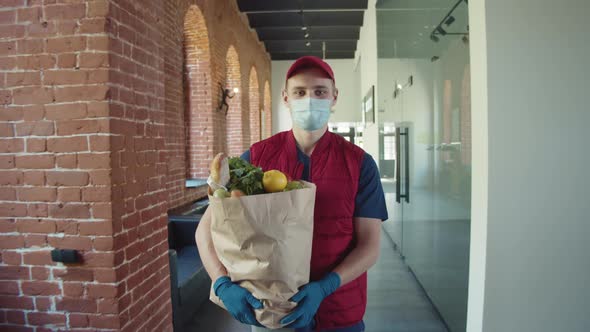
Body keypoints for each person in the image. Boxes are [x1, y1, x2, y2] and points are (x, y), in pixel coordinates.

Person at [196, 56, 388, 332]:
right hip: (270, 308)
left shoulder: (359, 163)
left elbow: (370, 246)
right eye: (299, 92)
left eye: (320, 91)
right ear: (286, 98)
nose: (310, 99)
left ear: (334, 97)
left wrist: (326, 287)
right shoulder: (256, 158)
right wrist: (221, 282)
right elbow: (205, 231)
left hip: (339, 311)